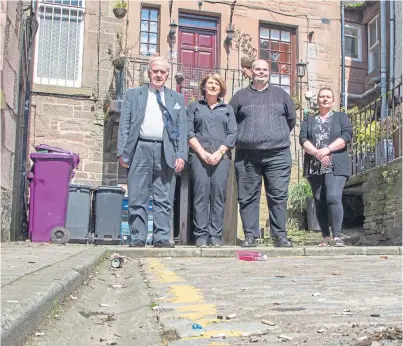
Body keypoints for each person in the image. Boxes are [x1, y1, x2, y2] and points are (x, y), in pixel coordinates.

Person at [117, 56, 187, 248]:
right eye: (155, 71)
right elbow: (124, 125)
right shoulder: (134, 95)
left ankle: (162, 237)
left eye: (162, 72)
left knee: (164, 197)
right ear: (149, 73)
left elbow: (182, 128)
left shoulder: (177, 99)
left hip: (167, 151)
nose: (158, 75)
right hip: (140, 148)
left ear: (167, 75)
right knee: (137, 195)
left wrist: (181, 154)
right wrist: (123, 152)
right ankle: (138, 237)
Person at [229, 59, 296, 248]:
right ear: (251, 72)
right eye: (257, 69)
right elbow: (231, 122)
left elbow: (290, 120)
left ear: (269, 73)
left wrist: (274, 136)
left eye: (264, 70)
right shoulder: (239, 97)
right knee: (248, 196)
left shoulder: (282, 95)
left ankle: (279, 236)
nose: (261, 72)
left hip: (278, 154)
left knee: (278, 195)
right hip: (247, 155)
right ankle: (251, 235)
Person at [187, 73, 237, 247]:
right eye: (210, 83)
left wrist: (219, 152)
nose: (213, 86)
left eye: (216, 83)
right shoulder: (194, 107)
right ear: (204, 86)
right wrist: (202, 152)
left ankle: (215, 235)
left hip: (221, 158)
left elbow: (232, 134)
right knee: (200, 195)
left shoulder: (227, 109)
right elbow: (189, 132)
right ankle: (200, 235)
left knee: (218, 195)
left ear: (221, 88)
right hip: (198, 157)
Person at [299, 87, 353, 247]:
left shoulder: (341, 117)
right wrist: (317, 153)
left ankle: (337, 236)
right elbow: (303, 139)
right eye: (322, 96)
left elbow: (346, 136)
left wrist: (327, 150)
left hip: (335, 164)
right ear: (318, 100)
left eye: (328, 96)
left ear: (333, 100)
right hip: (314, 165)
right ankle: (325, 236)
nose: (325, 99)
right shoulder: (309, 120)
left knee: (333, 197)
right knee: (319, 199)